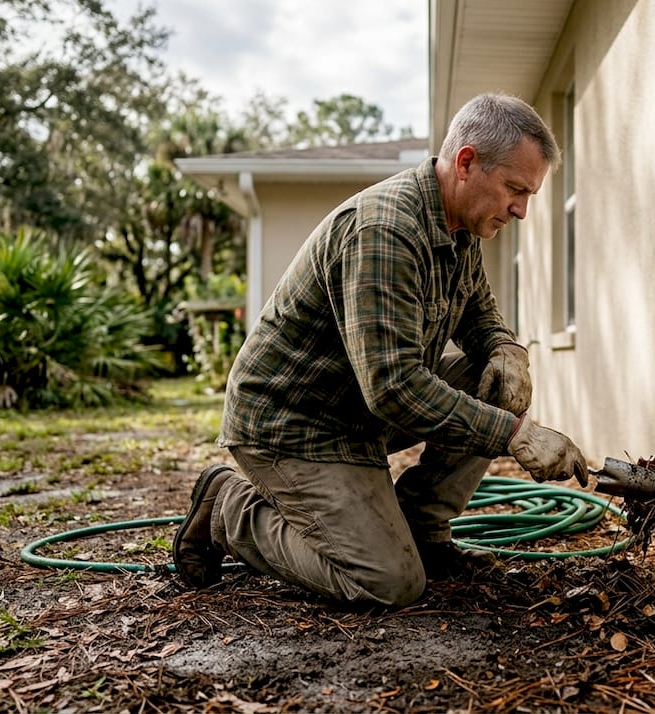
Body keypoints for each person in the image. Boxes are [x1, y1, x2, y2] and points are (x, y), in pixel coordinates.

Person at [173, 93, 590, 607]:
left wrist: (506, 349)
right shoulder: (386, 230)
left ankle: (424, 532)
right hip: (295, 425)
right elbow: (394, 388)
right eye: (515, 190)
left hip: (356, 409)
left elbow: (478, 314)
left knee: (493, 378)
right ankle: (227, 508)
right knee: (386, 582)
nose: (522, 211)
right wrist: (515, 434)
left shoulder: (459, 229)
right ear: (466, 163)